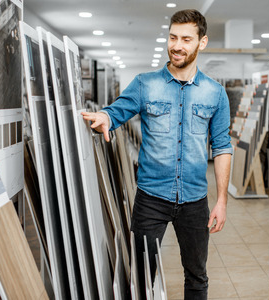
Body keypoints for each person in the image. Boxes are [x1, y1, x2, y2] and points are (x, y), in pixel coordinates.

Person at [82, 9, 232, 299]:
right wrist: (105, 117)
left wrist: (222, 200)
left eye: (186, 39)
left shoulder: (215, 93)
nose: (177, 45)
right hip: (151, 198)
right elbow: (116, 112)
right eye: (173, 37)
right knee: (140, 276)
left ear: (202, 42)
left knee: (197, 276)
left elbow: (222, 147)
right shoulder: (144, 84)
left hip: (194, 201)